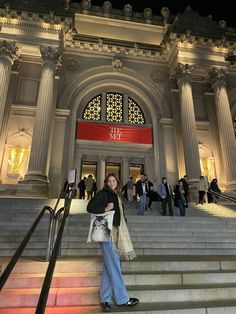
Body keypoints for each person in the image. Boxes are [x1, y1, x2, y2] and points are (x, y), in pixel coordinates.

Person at [87, 173, 139, 312]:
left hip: (116, 232)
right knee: (115, 265)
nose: (111, 183)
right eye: (109, 181)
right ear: (106, 182)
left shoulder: (116, 194)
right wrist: (105, 209)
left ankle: (105, 300)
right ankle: (122, 299)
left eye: (113, 180)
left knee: (108, 266)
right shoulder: (104, 193)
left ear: (117, 182)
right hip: (107, 233)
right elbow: (90, 207)